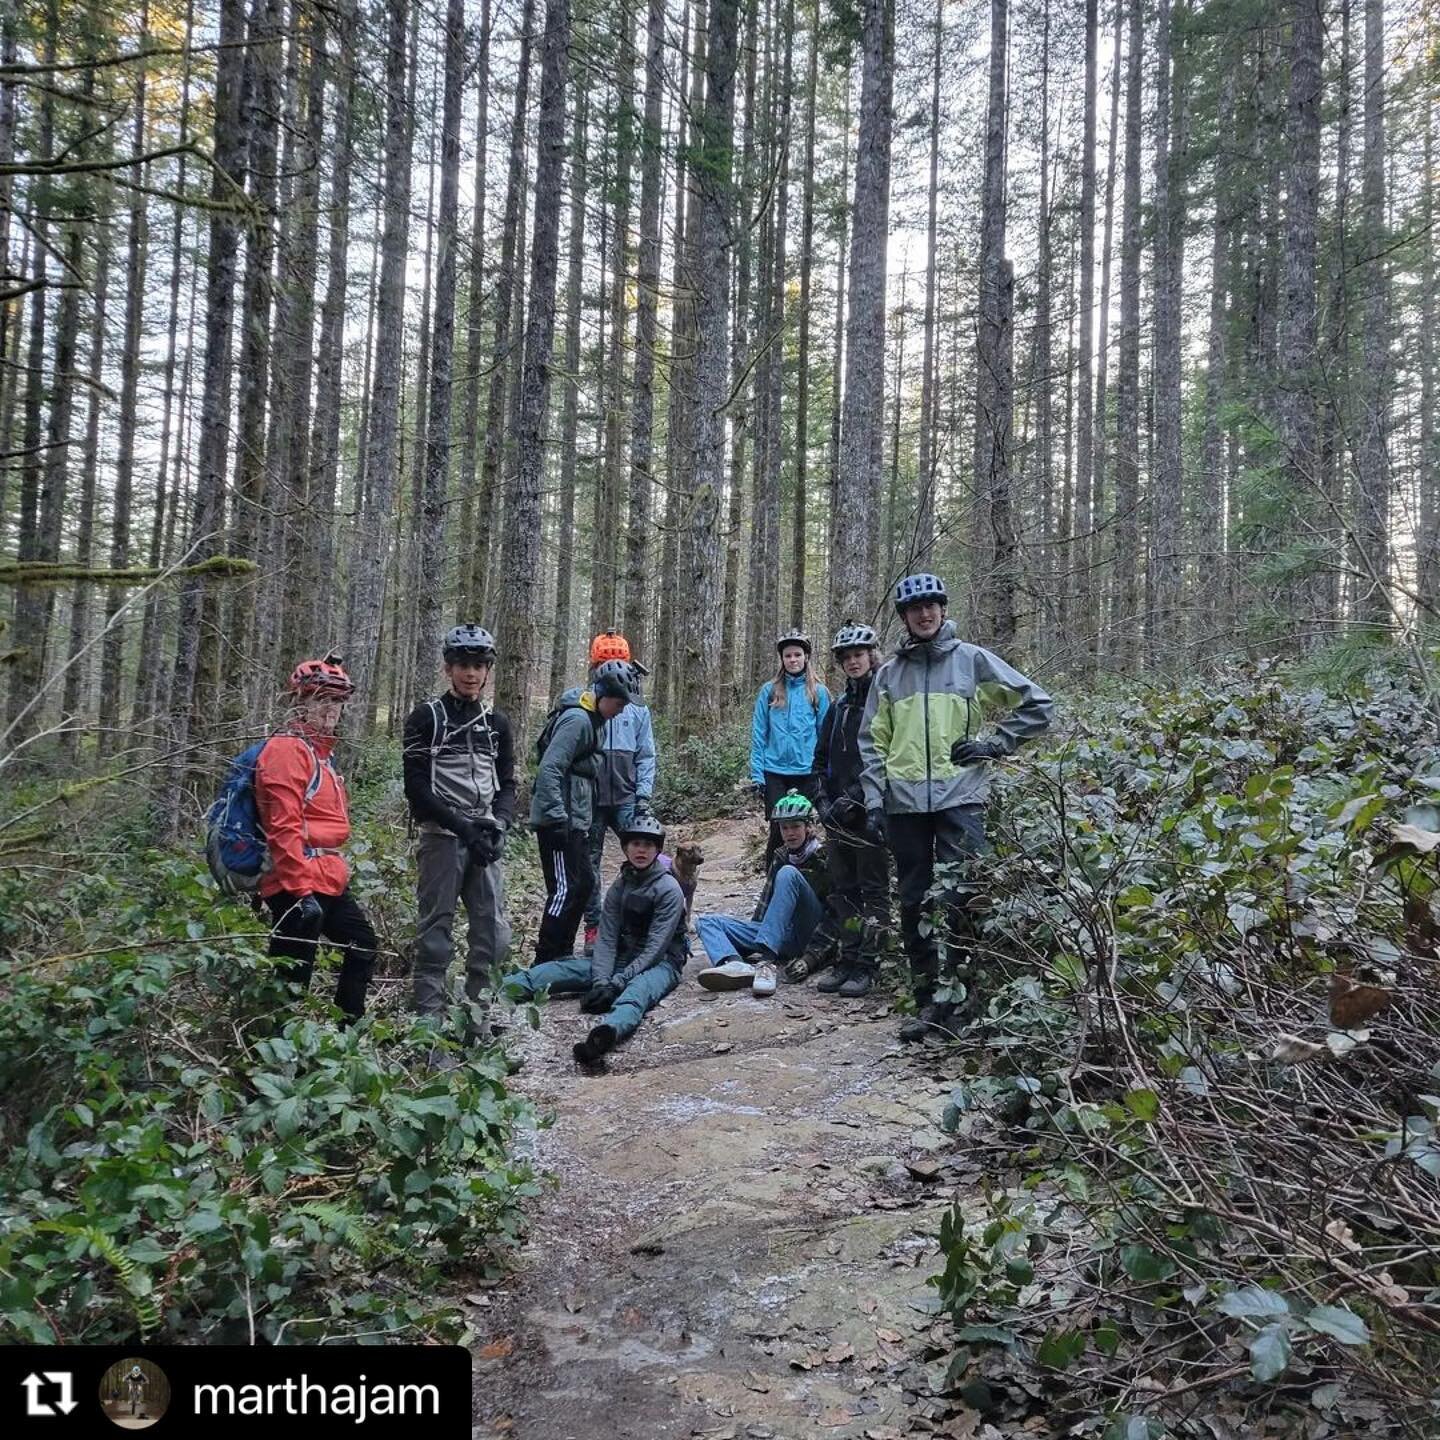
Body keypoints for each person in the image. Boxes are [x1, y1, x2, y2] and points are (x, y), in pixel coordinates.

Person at [859, 573, 1053, 1041]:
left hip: (961, 802)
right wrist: (872, 799)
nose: (924, 614)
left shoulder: (971, 662)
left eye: (932, 606)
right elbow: (871, 741)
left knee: (963, 901)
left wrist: (994, 744)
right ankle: (926, 1003)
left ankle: (963, 1003)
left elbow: (1037, 704)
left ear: (943, 610)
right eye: (914, 608)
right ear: (904, 617)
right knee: (913, 903)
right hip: (904, 807)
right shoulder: (888, 675)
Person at [402, 625, 516, 1041]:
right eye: (463, 665)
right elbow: (416, 788)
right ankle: (428, 1036)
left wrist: (499, 824)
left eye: (479, 666)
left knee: (493, 935)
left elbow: (508, 783)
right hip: (442, 839)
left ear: (487, 671)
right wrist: (463, 828)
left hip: (484, 840)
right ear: (448, 668)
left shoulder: (497, 722)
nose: (471, 673)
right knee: (435, 937)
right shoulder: (425, 718)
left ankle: (476, 1025)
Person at [506, 814, 687, 1068]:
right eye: (635, 844)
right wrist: (602, 981)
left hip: (662, 963)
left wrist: (616, 984)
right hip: (622, 957)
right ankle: (496, 989)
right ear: (625, 848)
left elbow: (655, 949)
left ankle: (605, 1036)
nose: (641, 850)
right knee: (559, 970)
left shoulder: (669, 889)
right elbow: (607, 936)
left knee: (637, 993)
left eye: (648, 845)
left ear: (658, 850)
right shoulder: (621, 884)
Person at [255, 655, 376, 1024]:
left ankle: (345, 1035)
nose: (331, 708)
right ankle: (274, 1053)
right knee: (292, 974)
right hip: (294, 882)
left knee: (362, 944)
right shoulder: (287, 750)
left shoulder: (322, 755)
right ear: (300, 701)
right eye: (321, 698)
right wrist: (299, 892)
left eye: (337, 700)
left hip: (325, 877)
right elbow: (283, 826)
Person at [530, 657, 640, 966]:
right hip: (559, 820)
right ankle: (545, 958)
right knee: (564, 890)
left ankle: (562, 953)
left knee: (584, 884)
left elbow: (589, 762)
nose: (621, 710)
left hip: (575, 818)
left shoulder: (597, 722)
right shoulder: (577, 720)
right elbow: (550, 768)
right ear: (603, 695)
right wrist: (557, 818)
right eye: (618, 703)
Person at [801, 621, 889, 997]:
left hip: (870, 812)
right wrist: (821, 800)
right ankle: (847, 958)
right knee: (843, 889)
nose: (853, 662)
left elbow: (886, 754)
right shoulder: (838, 706)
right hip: (837, 817)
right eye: (847, 657)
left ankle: (869, 965)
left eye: (859, 655)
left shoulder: (884, 699)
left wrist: (855, 797)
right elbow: (819, 758)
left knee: (873, 890)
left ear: (872, 655)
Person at [569, 631, 658, 953]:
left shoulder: (635, 709)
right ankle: (595, 927)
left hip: (626, 796)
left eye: (616, 661)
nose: (611, 668)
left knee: (644, 857)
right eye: (605, 662)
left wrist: (643, 796)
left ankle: (644, 922)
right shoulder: (583, 703)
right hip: (589, 799)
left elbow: (646, 755)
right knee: (588, 865)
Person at [695, 790, 831, 998]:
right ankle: (734, 965)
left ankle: (766, 964)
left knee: (788, 874)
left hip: (810, 933)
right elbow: (765, 905)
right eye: (785, 828)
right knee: (707, 922)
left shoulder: (824, 857)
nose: (790, 833)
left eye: (795, 826)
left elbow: (836, 916)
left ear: (808, 827)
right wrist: (749, 939)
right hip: (782, 935)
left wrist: (812, 958)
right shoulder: (781, 855)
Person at [751, 629, 831, 867]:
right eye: (788, 656)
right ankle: (772, 886)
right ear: (782, 659)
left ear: (806, 657)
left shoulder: (818, 691)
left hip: (807, 772)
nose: (793, 660)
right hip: (775, 772)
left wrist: (826, 772)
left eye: (797, 654)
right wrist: (757, 774)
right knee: (779, 830)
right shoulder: (770, 691)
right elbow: (759, 733)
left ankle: (806, 880)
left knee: (802, 828)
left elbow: (826, 736)